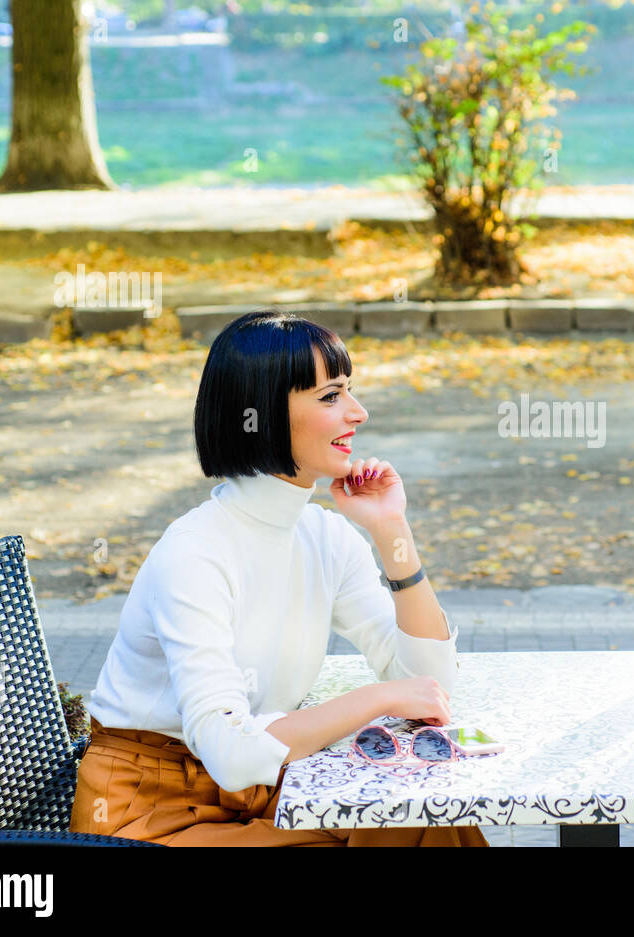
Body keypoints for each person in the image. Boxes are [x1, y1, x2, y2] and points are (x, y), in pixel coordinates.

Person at [70, 309, 488, 846]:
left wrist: (391, 531)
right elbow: (231, 749)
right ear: (264, 413)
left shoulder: (324, 536)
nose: (357, 413)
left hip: (263, 790)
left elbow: (431, 686)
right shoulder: (195, 553)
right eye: (331, 397)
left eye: (348, 393)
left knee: (425, 818)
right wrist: (379, 699)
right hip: (150, 813)